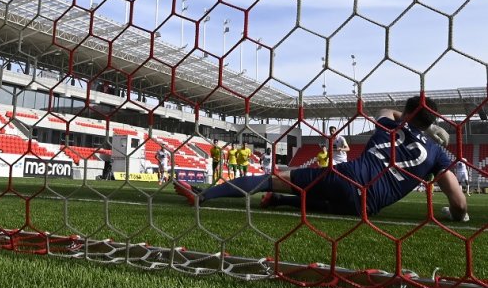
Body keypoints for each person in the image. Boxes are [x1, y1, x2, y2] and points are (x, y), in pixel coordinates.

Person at [174, 96, 468, 221]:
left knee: (272, 179)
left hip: (346, 176)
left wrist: (411, 120)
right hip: (367, 207)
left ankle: (204, 196)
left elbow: (386, 111)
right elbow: (459, 202)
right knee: (332, 205)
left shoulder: (390, 126)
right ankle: (280, 201)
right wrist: (457, 216)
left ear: (407, 113)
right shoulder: (437, 153)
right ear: (431, 121)